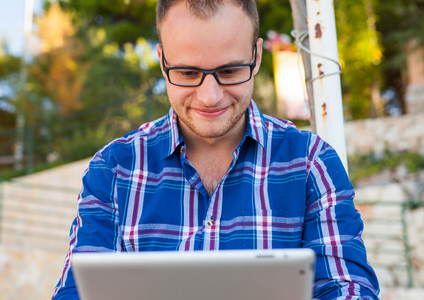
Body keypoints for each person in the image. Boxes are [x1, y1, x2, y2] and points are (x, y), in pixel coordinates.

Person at [52, 0, 380, 299]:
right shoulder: (113, 171)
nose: (210, 96)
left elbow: (347, 287)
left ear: (257, 55)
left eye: (229, 71)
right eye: (188, 73)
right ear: (162, 60)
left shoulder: (311, 164)